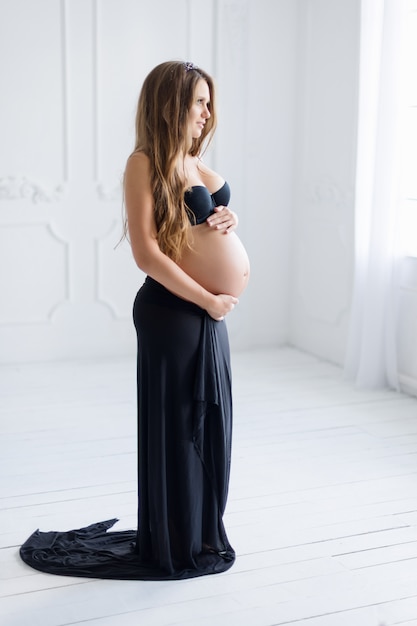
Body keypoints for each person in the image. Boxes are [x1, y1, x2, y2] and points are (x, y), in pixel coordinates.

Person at [19, 61, 250, 580]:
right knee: (179, 425)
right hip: (172, 311)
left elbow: (198, 232)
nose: (207, 112)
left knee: (208, 424)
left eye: (210, 102)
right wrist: (208, 300)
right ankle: (174, 541)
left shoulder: (193, 160)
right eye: (198, 102)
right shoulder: (144, 162)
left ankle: (194, 531)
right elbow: (147, 254)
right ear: (171, 104)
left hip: (205, 314)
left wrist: (229, 218)